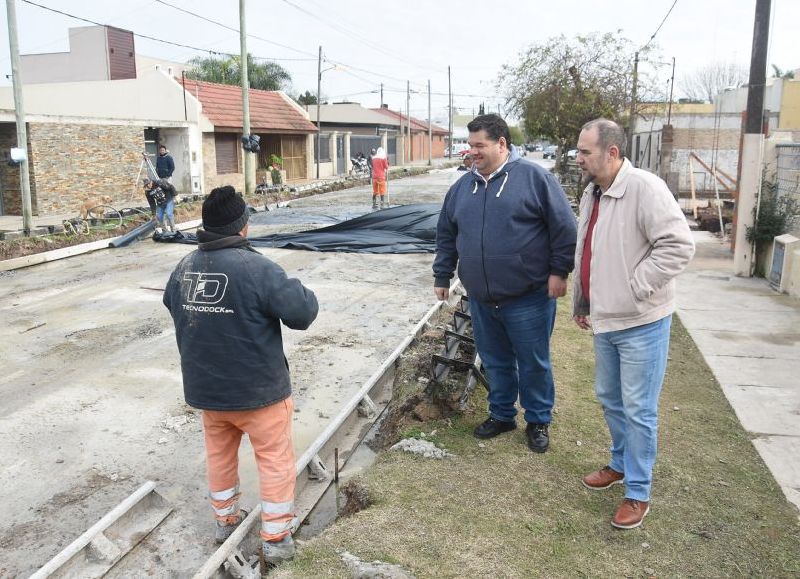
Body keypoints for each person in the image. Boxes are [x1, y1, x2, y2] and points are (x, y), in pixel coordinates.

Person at [163, 186, 319, 564]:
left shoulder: (184, 267)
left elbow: (173, 305)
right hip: (259, 393)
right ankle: (277, 538)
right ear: (243, 225)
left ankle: (225, 520)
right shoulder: (257, 267)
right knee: (275, 460)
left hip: (208, 393)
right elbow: (302, 314)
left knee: (219, 456)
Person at [572, 119, 694, 529]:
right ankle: (620, 463)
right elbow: (588, 249)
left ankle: (638, 492)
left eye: (585, 151)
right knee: (609, 397)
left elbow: (678, 245)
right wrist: (584, 300)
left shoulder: (645, 188)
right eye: (578, 150)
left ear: (611, 152)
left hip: (642, 320)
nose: (578, 158)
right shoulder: (593, 192)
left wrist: (635, 287)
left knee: (639, 409)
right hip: (606, 320)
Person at [433, 113, 577, 453]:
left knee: (532, 361)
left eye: (479, 145)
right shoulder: (462, 187)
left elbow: (565, 228)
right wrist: (443, 274)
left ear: (502, 144)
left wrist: (559, 271)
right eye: (470, 146)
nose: (472, 152)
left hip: (528, 297)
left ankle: (538, 420)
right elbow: (446, 234)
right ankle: (501, 414)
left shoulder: (534, 179)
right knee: (495, 361)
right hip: (482, 297)